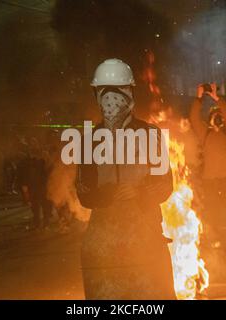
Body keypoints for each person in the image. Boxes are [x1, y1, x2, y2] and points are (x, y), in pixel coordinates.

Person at [77, 59, 175, 300]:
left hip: (145, 235)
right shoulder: (89, 141)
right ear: (96, 96)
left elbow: (165, 184)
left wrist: (139, 192)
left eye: (118, 92)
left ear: (130, 94)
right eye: (104, 93)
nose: (111, 101)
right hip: (105, 243)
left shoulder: (150, 134)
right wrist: (108, 192)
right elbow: (84, 193)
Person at [190, 83, 226, 259]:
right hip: (210, 180)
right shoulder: (205, 134)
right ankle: (217, 240)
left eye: (220, 116)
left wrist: (216, 98)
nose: (219, 118)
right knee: (212, 211)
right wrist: (198, 98)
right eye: (215, 116)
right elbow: (194, 119)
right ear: (210, 120)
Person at [18, 137, 51, 230]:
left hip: (42, 184)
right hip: (32, 185)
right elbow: (24, 172)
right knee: (35, 205)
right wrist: (24, 184)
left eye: (34, 143)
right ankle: (37, 223)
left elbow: (49, 168)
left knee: (45, 204)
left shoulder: (43, 155)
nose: (32, 145)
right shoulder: (27, 158)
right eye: (31, 144)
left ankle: (46, 223)